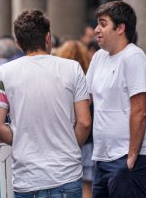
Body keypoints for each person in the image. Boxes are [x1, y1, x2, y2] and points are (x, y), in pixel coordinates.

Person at [0, 10, 91, 197]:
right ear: (48, 37)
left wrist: (22, 139)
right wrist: (68, 143)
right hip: (67, 174)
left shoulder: (4, 72)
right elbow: (84, 122)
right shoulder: (73, 68)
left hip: (27, 178)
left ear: (18, 43)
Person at [86, 1, 146, 197]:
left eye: (103, 24)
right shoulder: (99, 57)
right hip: (102, 155)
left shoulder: (134, 58)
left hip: (127, 157)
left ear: (120, 28)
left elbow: (140, 110)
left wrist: (132, 156)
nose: (96, 30)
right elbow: (85, 99)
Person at [57, 40, 93, 198]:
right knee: (87, 185)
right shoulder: (88, 81)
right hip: (89, 140)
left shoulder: (60, 82)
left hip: (64, 139)